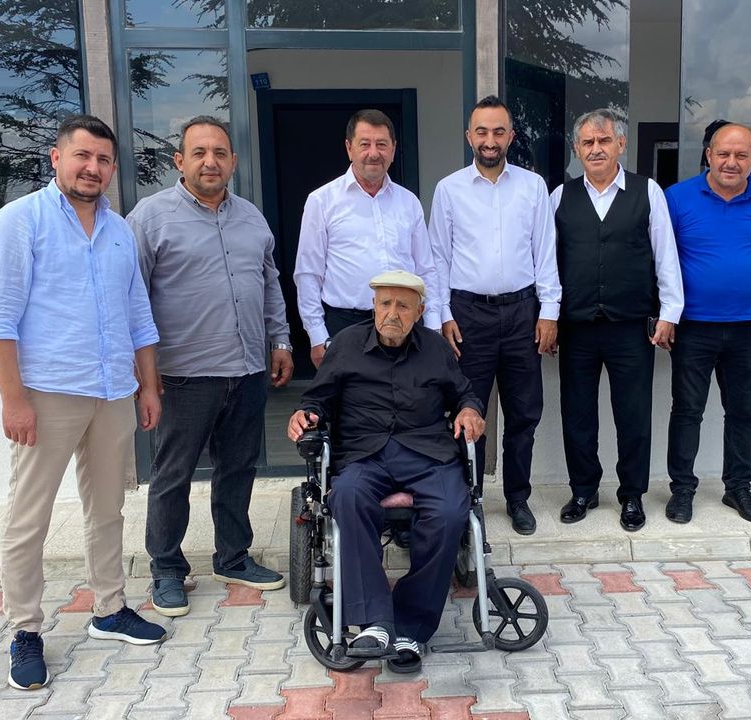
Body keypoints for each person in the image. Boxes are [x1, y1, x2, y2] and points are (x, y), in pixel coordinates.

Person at [0, 115, 166, 692]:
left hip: (111, 393)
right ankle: (25, 630)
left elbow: (139, 316)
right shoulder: (19, 221)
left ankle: (110, 608)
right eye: (82, 156)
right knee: (28, 517)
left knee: (107, 509)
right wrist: (13, 400)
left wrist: (149, 386)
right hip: (47, 394)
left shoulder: (120, 232)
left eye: (103, 160)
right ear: (56, 158)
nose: (93, 168)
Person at [128, 115, 294, 618]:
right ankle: (167, 568)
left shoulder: (252, 218)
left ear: (233, 162)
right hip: (182, 376)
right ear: (179, 161)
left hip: (246, 370)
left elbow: (269, 284)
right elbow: (130, 298)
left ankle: (233, 557)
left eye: (219, 153)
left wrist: (280, 340)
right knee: (173, 474)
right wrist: (142, 372)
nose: (210, 162)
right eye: (199, 152)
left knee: (238, 467)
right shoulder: (150, 218)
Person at [287, 270, 485, 675]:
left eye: (403, 306)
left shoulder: (435, 347)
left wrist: (469, 410)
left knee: (450, 511)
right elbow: (317, 399)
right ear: (374, 306)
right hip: (365, 454)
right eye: (385, 304)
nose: (392, 313)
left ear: (420, 312)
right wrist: (305, 414)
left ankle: (411, 627)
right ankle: (376, 623)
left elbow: (464, 393)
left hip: (426, 453)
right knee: (347, 496)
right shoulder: (346, 345)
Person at [429, 96, 560, 536]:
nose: (490, 140)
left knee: (524, 412)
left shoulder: (533, 187)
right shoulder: (449, 190)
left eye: (498, 131)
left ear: (511, 136)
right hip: (468, 316)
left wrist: (549, 312)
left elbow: (545, 253)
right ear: (470, 136)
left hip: (523, 313)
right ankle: (472, 501)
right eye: (482, 131)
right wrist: (442, 315)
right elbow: (437, 259)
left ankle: (518, 498)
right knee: (468, 410)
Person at [551, 109, 684, 532]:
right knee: (577, 414)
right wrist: (548, 316)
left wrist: (670, 313)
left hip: (630, 326)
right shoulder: (560, 196)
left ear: (620, 145)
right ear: (577, 149)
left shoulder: (648, 192)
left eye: (604, 140)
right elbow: (547, 262)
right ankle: (583, 490)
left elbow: (665, 256)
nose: (596, 149)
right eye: (587, 142)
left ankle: (632, 495)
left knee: (633, 415)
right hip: (577, 326)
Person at [663, 122, 751, 525]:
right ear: (708, 155)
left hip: (749, 326)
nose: (731, 162)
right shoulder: (677, 197)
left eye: (741, 155)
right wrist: (665, 316)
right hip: (693, 326)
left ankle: (738, 488)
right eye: (723, 154)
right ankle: (682, 490)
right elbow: (662, 261)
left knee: (742, 412)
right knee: (687, 411)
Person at [295, 109, 439, 367]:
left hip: (403, 323)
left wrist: (433, 325)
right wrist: (317, 336)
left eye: (381, 144)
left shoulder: (409, 202)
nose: (374, 153)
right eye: (365, 144)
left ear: (393, 149)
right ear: (349, 148)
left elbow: (426, 270)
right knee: (348, 394)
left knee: (404, 392)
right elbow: (308, 274)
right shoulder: (322, 201)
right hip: (345, 326)